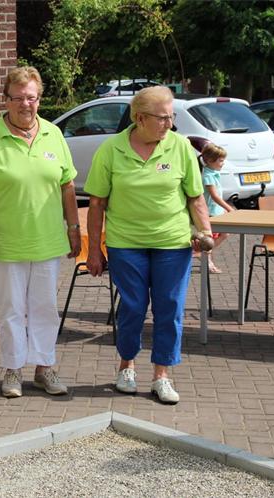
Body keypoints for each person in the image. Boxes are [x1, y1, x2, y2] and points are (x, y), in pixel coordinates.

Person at [84, 86, 212, 405]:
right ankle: (126, 366)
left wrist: (204, 232)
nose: (169, 123)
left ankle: (162, 375)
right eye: (162, 117)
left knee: (170, 308)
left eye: (171, 117)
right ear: (139, 118)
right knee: (133, 307)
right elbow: (97, 204)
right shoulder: (111, 150)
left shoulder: (180, 147)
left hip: (172, 242)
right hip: (126, 244)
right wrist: (94, 250)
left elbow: (196, 197)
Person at [0, 66, 80, 399]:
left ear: (39, 99)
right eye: (17, 98)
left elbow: (67, 185)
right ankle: (13, 368)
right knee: (12, 309)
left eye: (31, 98)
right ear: (6, 99)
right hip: (6, 242)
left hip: (47, 240)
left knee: (45, 308)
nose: (25, 104)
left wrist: (74, 228)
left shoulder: (53, 134)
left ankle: (44, 368)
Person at [200, 143, 233, 274]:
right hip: (211, 213)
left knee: (224, 234)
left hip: (217, 212)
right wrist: (229, 208)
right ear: (209, 160)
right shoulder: (208, 175)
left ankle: (204, 255)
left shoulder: (213, 173)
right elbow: (214, 196)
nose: (223, 163)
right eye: (220, 160)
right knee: (210, 239)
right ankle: (207, 261)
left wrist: (222, 209)